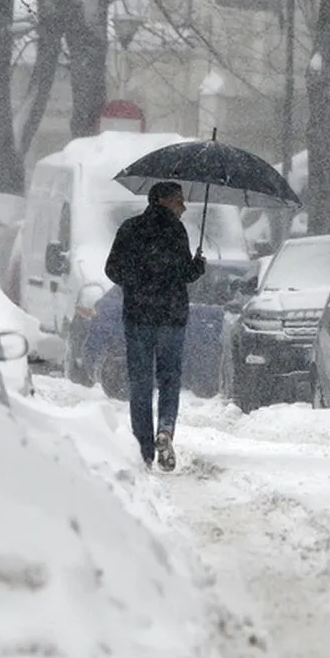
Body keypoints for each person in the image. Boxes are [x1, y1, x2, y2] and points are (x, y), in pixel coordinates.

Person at [104, 181, 206, 470]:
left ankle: (145, 450)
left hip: (138, 316)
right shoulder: (176, 231)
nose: (183, 207)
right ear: (163, 201)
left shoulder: (130, 228)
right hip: (171, 317)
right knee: (170, 378)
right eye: (179, 201)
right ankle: (165, 429)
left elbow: (111, 269)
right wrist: (197, 266)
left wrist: (137, 281)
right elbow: (185, 274)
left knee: (140, 381)